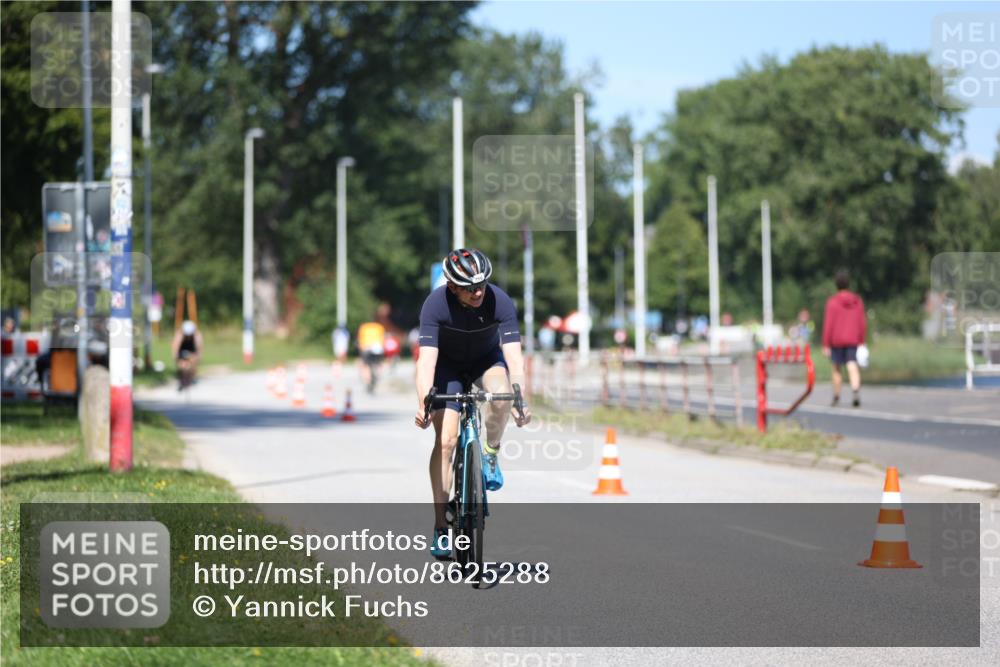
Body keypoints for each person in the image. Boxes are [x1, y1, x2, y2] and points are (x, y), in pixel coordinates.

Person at [414, 248, 532, 557]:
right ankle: (441, 525)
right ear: (452, 286)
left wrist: (520, 396)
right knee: (446, 441)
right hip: (447, 368)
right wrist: (423, 400)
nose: (478, 292)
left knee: (502, 395)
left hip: (485, 361)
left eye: (482, 284)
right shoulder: (435, 305)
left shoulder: (500, 301)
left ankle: (490, 453)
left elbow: (514, 358)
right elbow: (426, 362)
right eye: (470, 287)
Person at [822, 270, 866, 407]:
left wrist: (825, 343)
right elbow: (862, 322)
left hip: (837, 340)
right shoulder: (857, 301)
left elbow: (828, 324)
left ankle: (836, 396)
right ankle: (855, 391)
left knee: (836, 369)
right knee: (852, 364)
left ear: (836, 284)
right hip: (853, 339)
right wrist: (861, 340)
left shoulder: (832, 302)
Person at [356, 318, 386, 393]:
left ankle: (367, 380)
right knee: (378, 363)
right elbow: (383, 338)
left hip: (367, 348)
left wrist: (360, 349)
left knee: (366, 365)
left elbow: (360, 339)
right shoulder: (379, 327)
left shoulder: (364, 327)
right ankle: (378, 375)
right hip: (378, 348)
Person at [171, 320, 203, 389]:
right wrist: (176, 357)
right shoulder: (179, 335)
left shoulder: (197, 335)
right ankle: (182, 377)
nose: (188, 336)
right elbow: (176, 346)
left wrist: (198, 357)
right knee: (182, 364)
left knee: (193, 361)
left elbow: (199, 347)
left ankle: (192, 376)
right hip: (182, 350)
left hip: (192, 349)